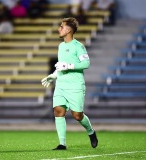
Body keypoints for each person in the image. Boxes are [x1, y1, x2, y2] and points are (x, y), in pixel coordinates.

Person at [41, 17, 98, 150]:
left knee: (77, 115)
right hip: (61, 85)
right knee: (58, 111)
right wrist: (53, 75)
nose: (59, 29)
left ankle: (91, 132)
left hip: (75, 85)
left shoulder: (78, 46)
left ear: (69, 30)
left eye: (61, 26)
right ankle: (62, 144)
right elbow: (61, 66)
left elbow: (86, 63)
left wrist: (69, 65)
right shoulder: (61, 46)